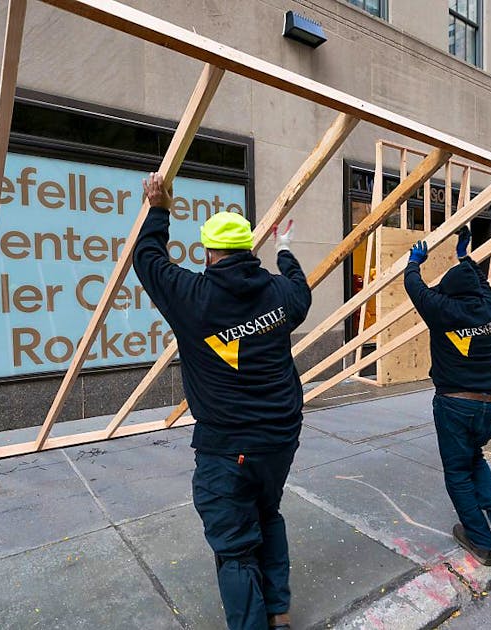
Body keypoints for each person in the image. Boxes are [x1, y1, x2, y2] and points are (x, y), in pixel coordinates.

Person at [133, 173, 311, 630]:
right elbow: (300, 287)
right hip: (279, 439)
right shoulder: (279, 294)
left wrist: (158, 209)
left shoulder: (192, 296)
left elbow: (148, 259)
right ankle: (279, 612)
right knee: (267, 514)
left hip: (227, 447)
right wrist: (286, 247)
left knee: (234, 546)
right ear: (249, 250)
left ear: (209, 252)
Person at [402, 226, 491, 567]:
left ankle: (480, 541)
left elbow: (415, 287)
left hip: (456, 403)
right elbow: (480, 282)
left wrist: (414, 262)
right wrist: (464, 256)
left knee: (457, 471)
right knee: (474, 458)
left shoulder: (441, 310)